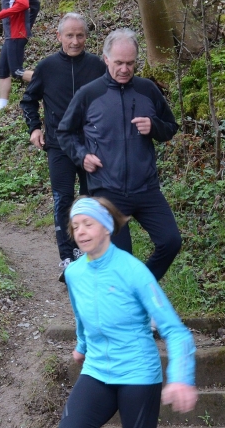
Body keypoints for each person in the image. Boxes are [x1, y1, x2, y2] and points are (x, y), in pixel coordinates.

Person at [57, 195, 197, 428]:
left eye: (87, 223)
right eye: (75, 226)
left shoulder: (134, 271)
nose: (81, 231)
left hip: (138, 372)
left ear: (106, 226)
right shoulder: (74, 272)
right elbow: (81, 314)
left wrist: (181, 377)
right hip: (99, 370)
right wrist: (81, 345)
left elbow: (176, 331)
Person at [57, 28, 181, 282]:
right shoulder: (89, 94)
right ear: (106, 59)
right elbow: (65, 133)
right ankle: (127, 304)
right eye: (119, 63)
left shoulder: (147, 90)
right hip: (108, 191)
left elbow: (170, 127)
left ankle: (141, 286)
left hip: (146, 187)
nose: (125, 69)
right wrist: (83, 157)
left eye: (130, 63)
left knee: (171, 241)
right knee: (122, 257)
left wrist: (154, 126)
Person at [20, 13, 105, 280]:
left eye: (80, 35)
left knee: (92, 200)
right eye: (69, 35)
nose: (75, 41)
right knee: (63, 200)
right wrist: (34, 127)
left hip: (92, 144)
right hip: (58, 145)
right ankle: (67, 258)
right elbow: (28, 100)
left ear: (86, 37)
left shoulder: (98, 67)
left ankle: (88, 253)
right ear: (59, 37)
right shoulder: (46, 68)